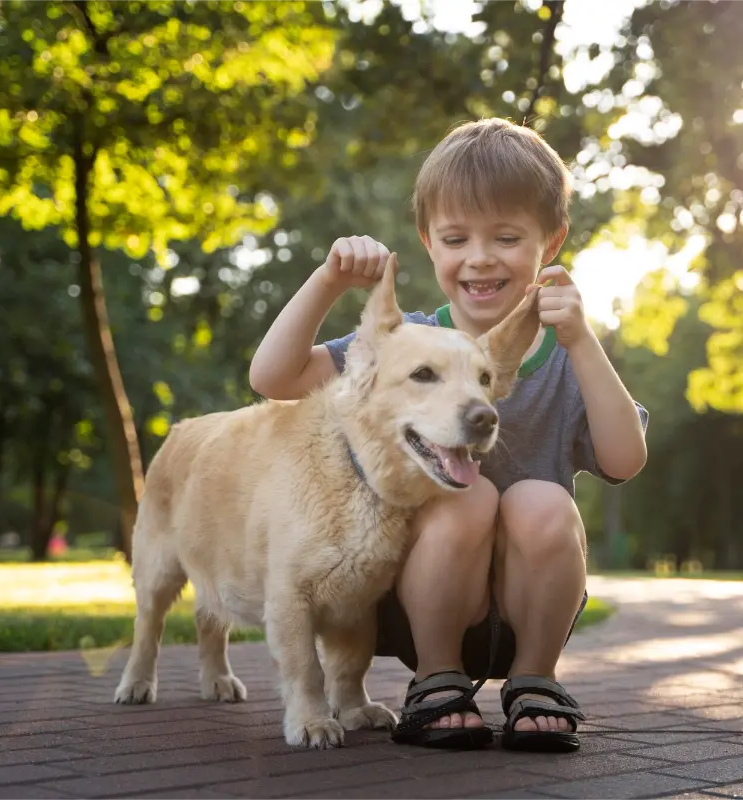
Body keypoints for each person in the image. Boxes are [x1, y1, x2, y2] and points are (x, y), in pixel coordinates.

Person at [249, 118, 648, 752]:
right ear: (428, 243)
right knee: (469, 495)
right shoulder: (403, 342)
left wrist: (583, 340)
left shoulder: (570, 351)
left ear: (553, 241)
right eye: (456, 237)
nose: (481, 257)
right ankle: (436, 682)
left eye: (508, 236)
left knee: (540, 500)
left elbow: (625, 461)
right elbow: (274, 377)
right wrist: (329, 279)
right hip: (418, 608)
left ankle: (535, 681)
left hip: (529, 610)